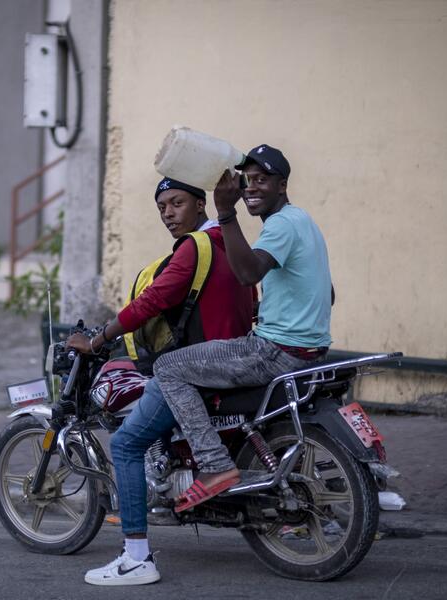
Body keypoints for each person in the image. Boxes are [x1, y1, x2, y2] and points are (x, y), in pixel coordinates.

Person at [67, 177, 255, 586]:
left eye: (177, 203)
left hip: (199, 369)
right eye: (162, 207)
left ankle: (136, 557)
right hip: (235, 358)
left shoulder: (194, 248)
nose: (169, 213)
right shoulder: (229, 242)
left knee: (125, 442)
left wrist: (99, 338)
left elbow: (153, 299)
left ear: (201, 205)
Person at [153, 144, 333, 513]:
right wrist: (269, 309)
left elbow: (248, 272)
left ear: (282, 185)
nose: (251, 187)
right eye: (247, 180)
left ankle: (215, 465)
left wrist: (225, 212)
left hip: (276, 351)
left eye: (262, 180)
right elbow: (327, 293)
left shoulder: (280, 225)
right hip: (311, 349)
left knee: (167, 367)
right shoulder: (303, 221)